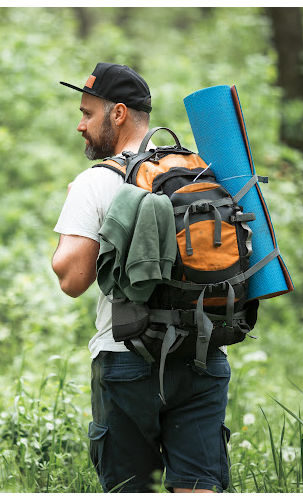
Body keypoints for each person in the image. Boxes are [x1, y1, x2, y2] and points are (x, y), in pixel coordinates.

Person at [52, 63, 231, 493]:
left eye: (87, 113)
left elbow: (71, 278)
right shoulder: (201, 171)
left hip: (126, 358)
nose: (80, 125)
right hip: (202, 351)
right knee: (198, 487)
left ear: (117, 114)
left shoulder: (97, 182)